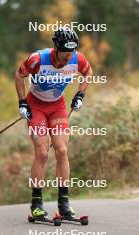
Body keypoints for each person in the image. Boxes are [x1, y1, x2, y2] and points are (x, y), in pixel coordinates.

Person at [15, 27, 92, 218]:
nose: (68, 59)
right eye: (65, 54)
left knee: (62, 150)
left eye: (71, 54)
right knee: (42, 153)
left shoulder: (77, 59)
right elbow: (19, 75)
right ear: (56, 48)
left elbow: (88, 72)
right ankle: (36, 203)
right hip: (37, 107)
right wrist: (22, 102)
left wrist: (80, 94)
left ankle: (64, 204)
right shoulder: (38, 59)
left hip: (57, 107)